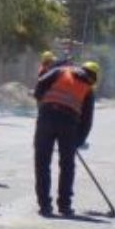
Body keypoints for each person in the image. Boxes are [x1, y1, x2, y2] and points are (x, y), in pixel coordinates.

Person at [33, 62, 99, 217]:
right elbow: (87, 120)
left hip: (46, 118)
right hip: (69, 124)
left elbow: (41, 83)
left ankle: (45, 206)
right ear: (94, 77)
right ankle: (64, 206)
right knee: (67, 166)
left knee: (42, 162)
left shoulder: (61, 71)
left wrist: (42, 102)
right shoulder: (88, 89)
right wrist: (77, 142)